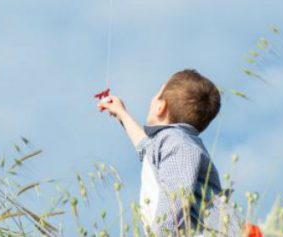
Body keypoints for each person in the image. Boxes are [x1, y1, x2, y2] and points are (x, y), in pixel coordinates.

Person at [98, 69, 232, 236]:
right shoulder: (174, 141)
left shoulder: (179, 145)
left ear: (161, 107)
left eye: (157, 94)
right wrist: (122, 114)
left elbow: (175, 200)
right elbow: (147, 148)